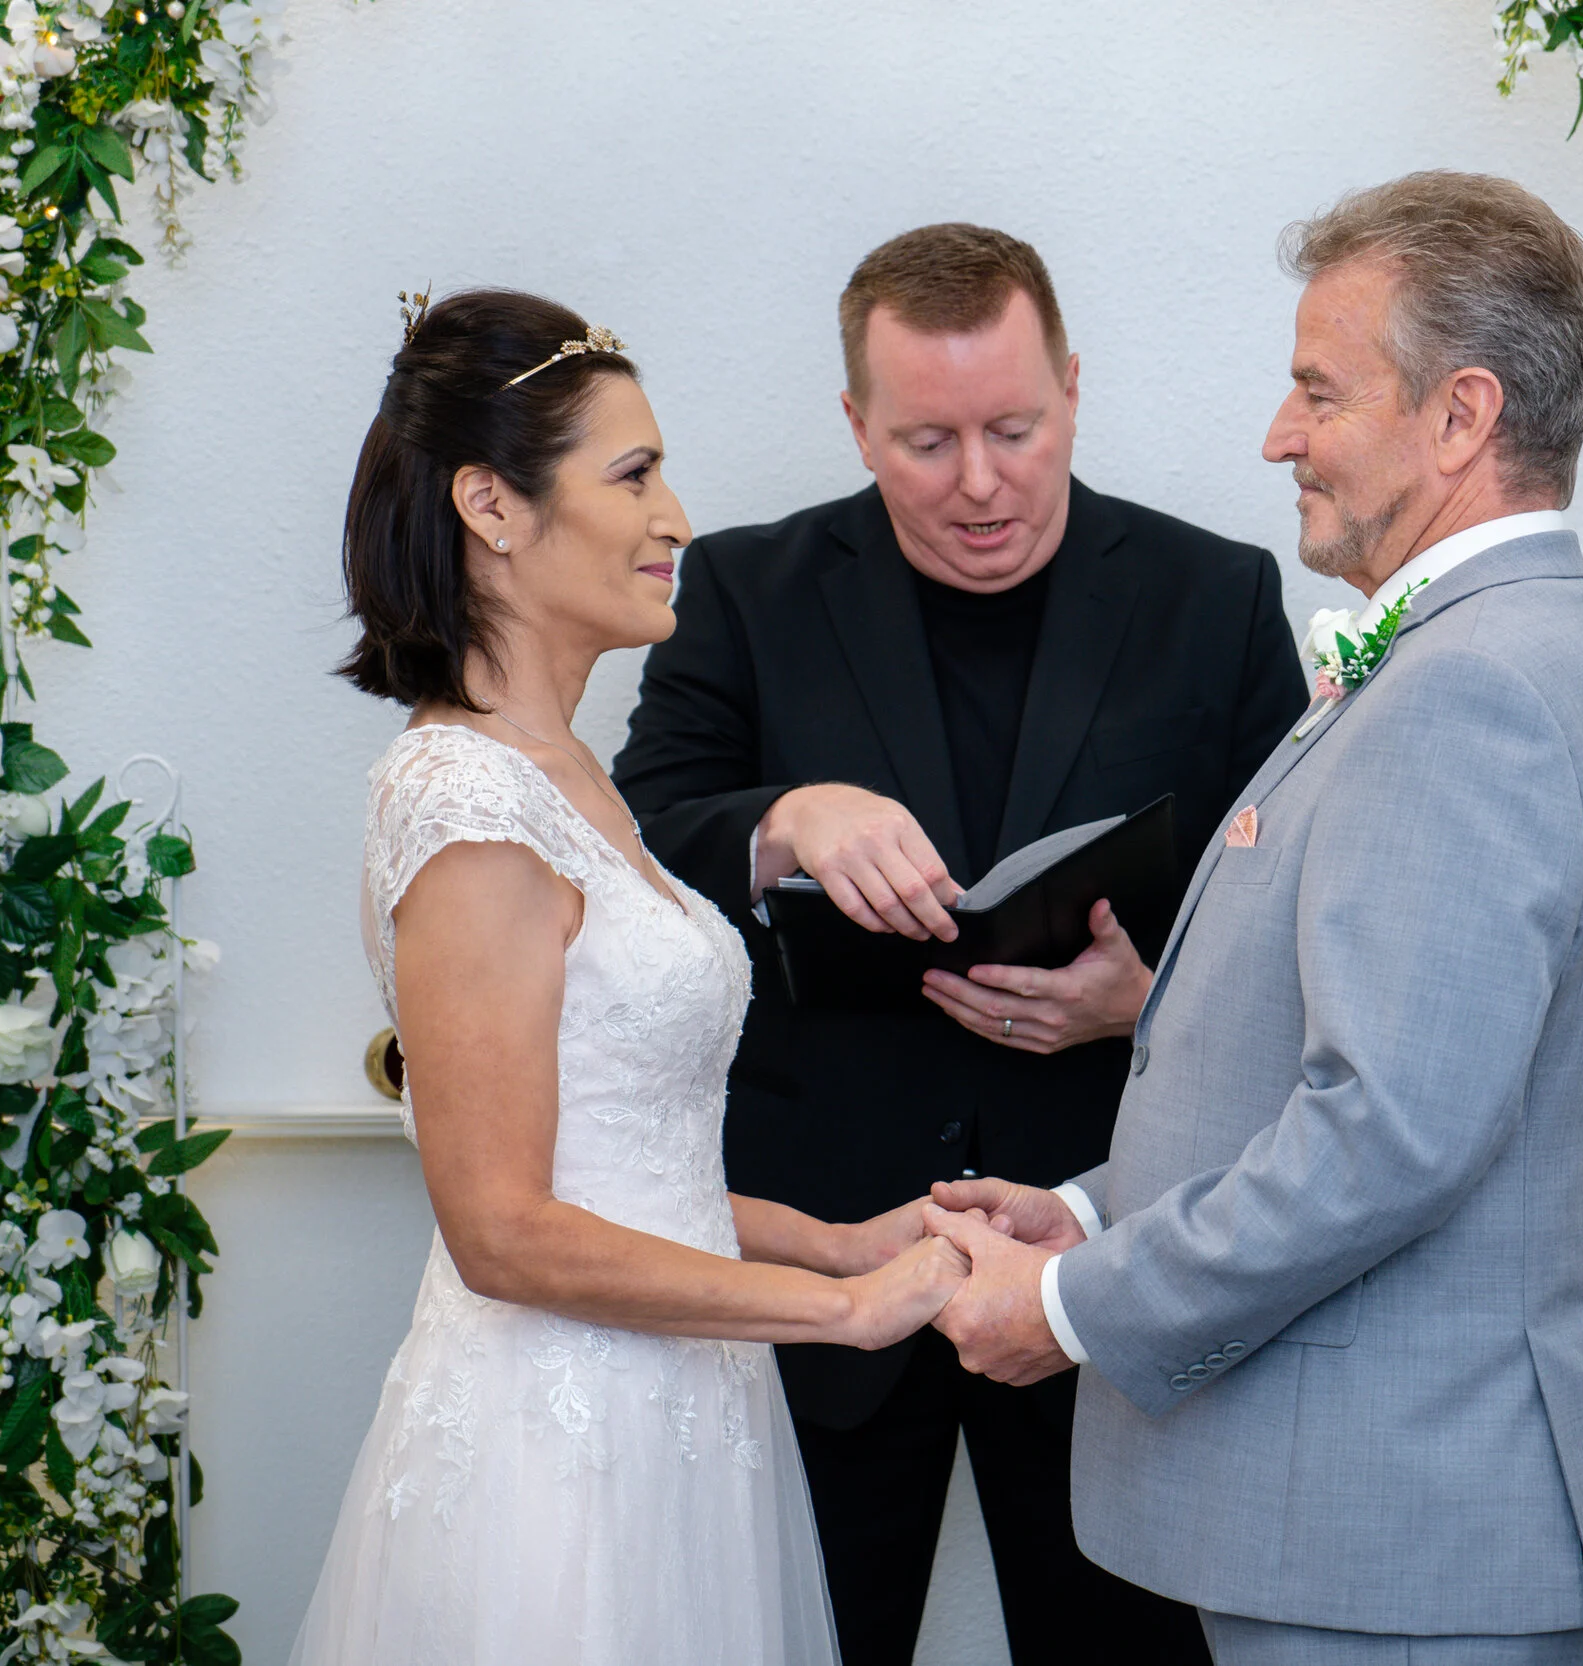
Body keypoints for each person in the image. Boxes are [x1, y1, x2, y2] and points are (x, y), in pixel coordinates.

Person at [924, 172, 1583, 1665]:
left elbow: (1382, 1137)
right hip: (1386, 1520)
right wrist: (1095, 1210)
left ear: (1461, 417)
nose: (1280, 433)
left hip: (1398, 1536)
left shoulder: (1470, 690)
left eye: (1319, 392)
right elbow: (1347, 1075)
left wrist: (1071, 1305)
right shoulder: (1487, 651)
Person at [611, 224, 1308, 1664]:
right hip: (818, 1250)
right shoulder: (740, 589)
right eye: (927, 442)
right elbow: (629, 849)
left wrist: (1144, 1007)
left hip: (1106, 1253)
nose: (980, 482)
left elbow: (1294, 911)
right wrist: (784, 818)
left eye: (1014, 429)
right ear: (856, 422)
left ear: (1073, 389)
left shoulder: (1218, 596)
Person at [291, 288, 976, 1666]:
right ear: (491, 505)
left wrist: (834, 1241)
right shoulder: (467, 805)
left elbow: (624, 1162)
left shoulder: (572, 780)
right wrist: (843, 1312)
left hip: (677, 1407)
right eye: (635, 475)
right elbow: (504, 1228)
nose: (676, 520)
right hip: (560, 1449)